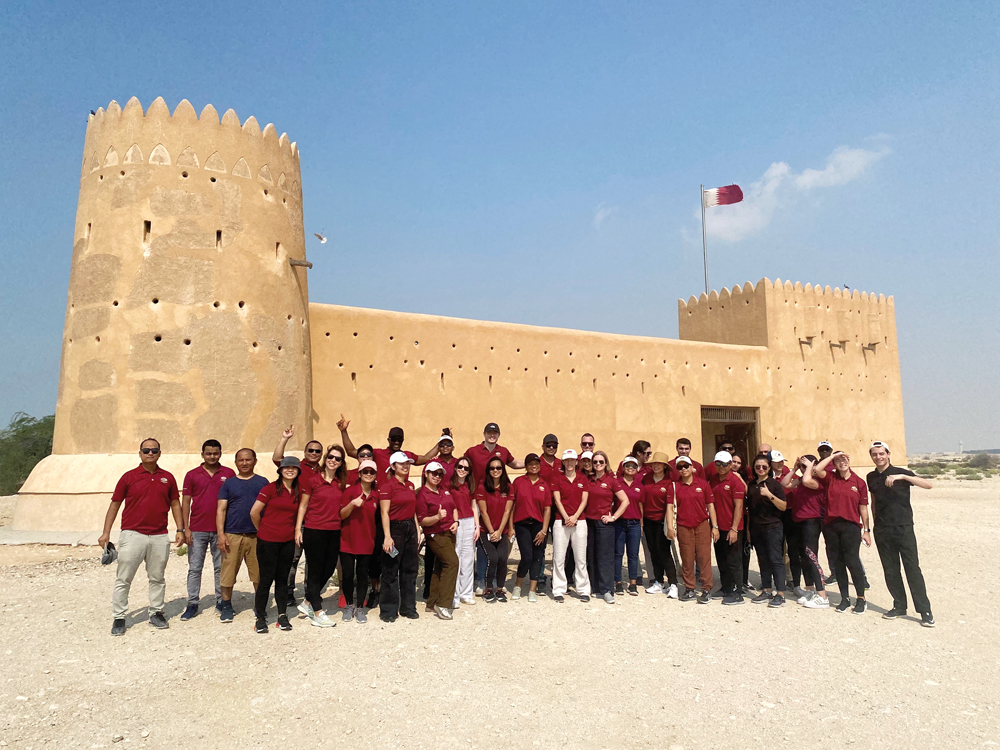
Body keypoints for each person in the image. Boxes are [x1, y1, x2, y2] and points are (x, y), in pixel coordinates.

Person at [99, 438, 183, 636]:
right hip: (133, 534)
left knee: (157, 577)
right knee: (124, 577)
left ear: (159, 453)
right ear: (140, 454)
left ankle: (156, 612)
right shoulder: (128, 477)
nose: (150, 453)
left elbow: (175, 504)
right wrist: (106, 532)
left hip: (159, 535)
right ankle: (119, 617)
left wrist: (180, 529)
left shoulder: (168, 478)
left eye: (154, 450)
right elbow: (115, 504)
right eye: (146, 450)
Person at [867, 441, 935, 627]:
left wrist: (904, 477)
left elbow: (928, 485)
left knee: (912, 569)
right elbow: (873, 502)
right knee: (890, 569)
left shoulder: (901, 473)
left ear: (888, 454)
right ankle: (899, 605)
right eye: (874, 454)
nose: (878, 457)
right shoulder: (871, 476)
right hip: (882, 529)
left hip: (903, 528)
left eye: (881, 453)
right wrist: (873, 526)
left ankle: (925, 611)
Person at [805, 451, 871, 614]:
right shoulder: (830, 478)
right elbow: (816, 470)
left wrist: (867, 530)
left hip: (851, 526)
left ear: (849, 461)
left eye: (844, 459)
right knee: (838, 563)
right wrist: (833, 456)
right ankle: (845, 598)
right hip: (831, 526)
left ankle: (861, 598)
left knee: (852, 561)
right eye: (838, 461)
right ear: (834, 464)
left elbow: (863, 508)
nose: (842, 463)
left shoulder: (859, 482)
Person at [180, 439, 234, 620]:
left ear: (220, 453)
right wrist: (185, 528)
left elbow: (232, 501)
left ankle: (221, 600)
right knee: (195, 568)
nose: (212, 456)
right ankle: (192, 603)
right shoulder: (192, 474)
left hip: (221, 530)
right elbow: (185, 502)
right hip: (197, 529)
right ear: (202, 454)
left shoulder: (228, 473)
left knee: (220, 567)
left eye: (216, 453)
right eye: (209, 453)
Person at [295, 445, 348, 627]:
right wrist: (297, 530)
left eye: (338, 459)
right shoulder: (313, 480)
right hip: (314, 529)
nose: (333, 460)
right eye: (331, 457)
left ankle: (308, 601)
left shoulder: (341, 483)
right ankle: (317, 612)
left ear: (341, 463)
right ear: (325, 459)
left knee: (329, 567)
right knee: (315, 570)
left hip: (334, 530)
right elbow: (303, 505)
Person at [272, 425, 322, 608]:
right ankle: (288, 592)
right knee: (292, 559)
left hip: (317, 522)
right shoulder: (297, 466)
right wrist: (285, 438)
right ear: (305, 452)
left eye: (318, 451)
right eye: (311, 450)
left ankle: (310, 593)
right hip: (298, 521)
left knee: (312, 560)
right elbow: (277, 458)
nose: (314, 453)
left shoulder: (324, 470)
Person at [250, 456, 301, 633]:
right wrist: (262, 530)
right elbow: (254, 512)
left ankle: (282, 615)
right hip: (268, 541)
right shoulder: (270, 488)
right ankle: (261, 617)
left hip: (287, 541)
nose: (290, 470)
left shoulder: (297, 491)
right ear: (280, 470)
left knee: (282, 580)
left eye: (294, 468)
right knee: (265, 580)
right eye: (287, 467)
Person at [216, 448, 268, 623]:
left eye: (248, 460)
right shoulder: (228, 484)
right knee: (228, 573)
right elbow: (221, 510)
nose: (245, 463)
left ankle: (259, 606)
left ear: (255, 461)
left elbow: (268, 510)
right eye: (241, 460)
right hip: (233, 535)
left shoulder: (262, 482)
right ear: (236, 462)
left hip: (256, 536)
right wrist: (221, 535)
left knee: (258, 573)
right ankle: (226, 606)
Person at [781, 455, 830, 609]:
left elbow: (808, 480)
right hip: (798, 520)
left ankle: (822, 595)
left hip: (812, 521)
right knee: (803, 557)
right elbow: (785, 484)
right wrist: (795, 468)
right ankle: (810, 590)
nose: (803, 469)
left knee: (811, 556)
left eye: (805, 466)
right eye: (802, 466)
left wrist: (811, 467)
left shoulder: (818, 482)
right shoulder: (801, 480)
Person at [668, 456, 718, 603]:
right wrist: (671, 527)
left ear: (692, 467)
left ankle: (706, 588)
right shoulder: (674, 486)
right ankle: (689, 588)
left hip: (702, 525)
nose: (683, 469)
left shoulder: (702, 484)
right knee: (687, 558)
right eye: (680, 467)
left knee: (704, 558)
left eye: (686, 466)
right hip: (684, 526)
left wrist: (714, 527)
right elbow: (670, 507)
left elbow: (710, 506)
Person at [378, 452, 421, 622]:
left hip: (410, 527)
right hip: (394, 529)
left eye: (407, 463)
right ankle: (388, 610)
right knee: (390, 570)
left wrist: (417, 530)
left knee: (410, 569)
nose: (405, 466)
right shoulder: (387, 486)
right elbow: (384, 512)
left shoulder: (410, 485)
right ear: (393, 466)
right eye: (401, 463)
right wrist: (387, 536)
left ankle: (408, 607)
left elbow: (414, 510)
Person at [585, 451, 630, 604]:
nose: (598, 464)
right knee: (591, 555)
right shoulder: (588, 480)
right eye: (595, 462)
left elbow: (625, 501)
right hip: (589, 522)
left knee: (605, 558)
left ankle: (607, 590)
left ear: (606, 464)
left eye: (601, 462)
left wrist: (614, 517)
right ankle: (595, 586)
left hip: (604, 524)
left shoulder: (611, 481)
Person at [416, 461, 460, 620]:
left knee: (440, 566)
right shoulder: (422, 494)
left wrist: (456, 522)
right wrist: (437, 517)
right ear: (426, 474)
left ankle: (432, 601)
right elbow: (422, 521)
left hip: (449, 532)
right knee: (453, 563)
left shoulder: (444, 490)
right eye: (433, 473)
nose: (437, 476)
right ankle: (444, 604)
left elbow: (454, 508)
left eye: (439, 474)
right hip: (435, 534)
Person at [339, 459, 379, 624]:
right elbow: (341, 515)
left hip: (367, 542)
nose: (368, 474)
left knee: (363, 576)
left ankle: (360, 608)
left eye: (371, 472)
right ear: (360, 474)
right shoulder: (350, 492)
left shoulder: (377, 495)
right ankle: (349, 605)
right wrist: (352, 504)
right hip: (347, 541)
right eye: (365, 472)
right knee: (348, 575)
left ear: (375, 475)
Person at [746, 453, 788, 607]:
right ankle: (767, 590)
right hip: (757, 528)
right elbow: (750, 509)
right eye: (758, 467)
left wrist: (769, 495)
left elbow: (783, 506)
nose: (761, 469)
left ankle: (781, 594)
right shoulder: (751, 485)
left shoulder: (774, 485)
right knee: (763, 560)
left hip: (773, 527)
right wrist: (749, 531)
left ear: (769, 467)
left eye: (764, 466)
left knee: (776, 560)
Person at [509, 454, 552, 602]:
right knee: (527, 557)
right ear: (526, 466)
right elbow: (512, 506)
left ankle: (532, 590)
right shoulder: (519, 482)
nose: (534, 466)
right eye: (531, 464)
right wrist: (511, 527)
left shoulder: (544, 485)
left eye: (536, 464)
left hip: (538, 526)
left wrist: (544, 530)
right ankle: (518, 585)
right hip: (522, 524)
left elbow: (547, 509)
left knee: (537, 557)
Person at [551, 449, 591, 602]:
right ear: (563, 462)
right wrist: (567, 517)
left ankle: (583, 589)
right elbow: (557, 500)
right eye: (566, 460)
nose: (569, 463)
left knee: (580, 558)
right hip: (560, 520)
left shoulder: (583, 479)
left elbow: (584, 500)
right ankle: (559, 589)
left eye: (572, 460)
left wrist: (574, 517)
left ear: (576, 461)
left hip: (579, 521)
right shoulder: (557, 479)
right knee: (559, 557)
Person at [709, 451, 746, 605]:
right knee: (721, 559)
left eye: (725, 464)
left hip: (733, 527)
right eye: (718, 463)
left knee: (734, 561)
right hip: (719, 527)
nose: (721, 467)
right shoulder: (713, 480)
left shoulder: (735, 482)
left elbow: (739, 507)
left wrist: (734, 529)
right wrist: (715, 527)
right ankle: (726, 587)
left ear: (731, 465)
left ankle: (738, 592)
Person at [476, 458, 514, 602]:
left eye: (498, 468)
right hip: (487, 531)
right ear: (488, 471)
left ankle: (500, 589)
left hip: (502, 531)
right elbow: (483, 512)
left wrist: (499, 531)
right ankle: (488, 588)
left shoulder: (509, 488)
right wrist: (492, 532)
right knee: (492, 558)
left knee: (503, 558)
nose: (495, 470)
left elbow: (507, 511)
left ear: (503, 470)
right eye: (492, 468)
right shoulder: (482, 487)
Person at [641, 452, 679, 598]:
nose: (655, 466)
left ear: (664, 466)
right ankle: (659, 581)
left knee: (664, 552)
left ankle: (673, 583)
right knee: (653, 552)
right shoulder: (646, 479)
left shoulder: (669, 482)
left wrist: (670, 525)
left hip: (662, 521)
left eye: (659, 463)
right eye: (654, 463)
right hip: (648, 520)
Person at [450, 457, 479, 608]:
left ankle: (466, 593)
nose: (462, 470)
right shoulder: (449, 485)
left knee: (467, 559)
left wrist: (477, 526)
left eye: (466, 468)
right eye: (460, 466)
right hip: (456, 522)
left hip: (469, 522)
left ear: (469, 472)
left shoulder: (470, 485)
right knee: (455, 558)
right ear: (455, 467)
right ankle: (453, 596)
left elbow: (474, 507)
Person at [614, 456, 644, 595]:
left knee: (633, 554)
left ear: (637, 469)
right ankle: (618, 582)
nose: (630, 468)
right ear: (623, 467)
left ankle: (632, 583)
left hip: (634, 523)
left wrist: (641, 524)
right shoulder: (617, 483)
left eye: (633, 465)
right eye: (627, 465)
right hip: (619, 523)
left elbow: (641, 505)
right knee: (618, 553)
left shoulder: (640, 485)